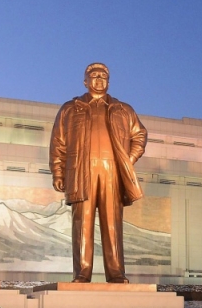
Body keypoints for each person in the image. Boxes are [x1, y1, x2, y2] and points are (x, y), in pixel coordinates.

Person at [49, 62, 147, 283]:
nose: (99, 79)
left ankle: (116, 273)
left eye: (103, 75)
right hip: (81, 171)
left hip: (112, 172)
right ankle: (82, 273)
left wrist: (127, 161)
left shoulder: (123, 109)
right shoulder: (70, 109)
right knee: (82, 224)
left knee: (112, 223)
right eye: (94, 75)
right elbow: (58, 143)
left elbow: (139, 135)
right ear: (85, 81)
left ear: (109, 82)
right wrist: (58, 173)